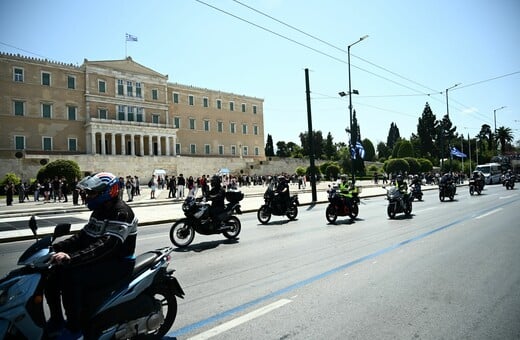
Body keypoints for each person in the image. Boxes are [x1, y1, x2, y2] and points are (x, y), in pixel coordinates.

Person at [44, 172, 138, 339]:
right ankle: (57, 319)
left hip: (118, 263)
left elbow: (105, 245)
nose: (88, 196)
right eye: (88, 192)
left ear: (108, 191)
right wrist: (54, 247)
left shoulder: (121, 212)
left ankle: (74, 327)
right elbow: (83, 236)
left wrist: (72, 258)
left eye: (92, 192)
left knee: (71, 276)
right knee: (52, 273)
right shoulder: (99, 211)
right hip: (103, 258)